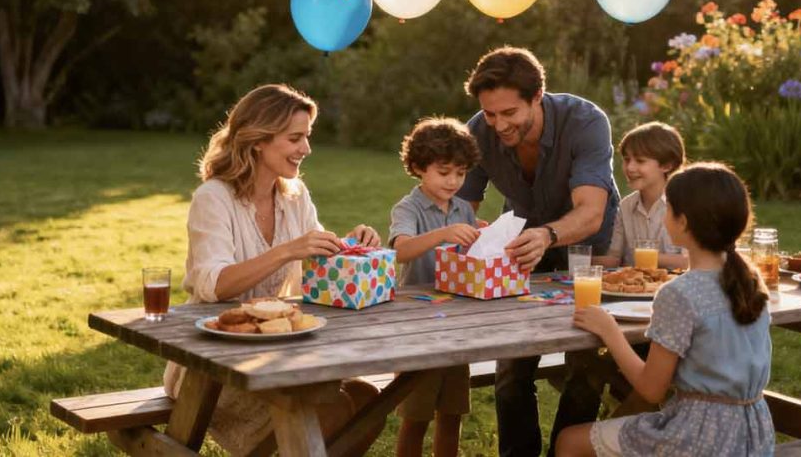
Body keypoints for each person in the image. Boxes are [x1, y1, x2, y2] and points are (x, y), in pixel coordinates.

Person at [162, 84, 382, 454]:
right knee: (329, 412)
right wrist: (286, 251)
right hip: (214, 366)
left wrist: (350, 244)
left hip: (277, 351)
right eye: (295, 138)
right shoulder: (213, 198)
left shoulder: (294, 195)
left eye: (307, 137)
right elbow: (214, 284)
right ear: (258, 140)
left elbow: (314, 261)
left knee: (366, 397)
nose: (306, 149)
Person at [457, 46, 620, 457]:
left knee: (585, 365)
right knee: (512, 366)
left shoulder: (585, 122)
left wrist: (548, 234)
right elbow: (459, 209)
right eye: (490, 114)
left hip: (585, 248)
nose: (498, 124)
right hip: (522, 246)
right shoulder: (479, 131)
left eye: (509, 113)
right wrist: (464, 235)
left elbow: (591, 212)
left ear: (537, 97)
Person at [558, 162, 774, 457]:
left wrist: (610, 330)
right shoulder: (750, 280)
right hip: (753, 431)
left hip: (698, 437)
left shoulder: (679, 293)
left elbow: (651, 390)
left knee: (570, 441)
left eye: (668, 208)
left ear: (682, 222)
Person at [389, 117, 482, 457]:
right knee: (416, 415)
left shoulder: (462, 208)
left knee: (452, 411)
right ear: (418, 167)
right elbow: (400, 250)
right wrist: (442, 234)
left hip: (455, 321)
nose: (454, 181)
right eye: (444, 172)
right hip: (418, 325)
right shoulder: (408, 207)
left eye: (460, 172)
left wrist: (483, 236)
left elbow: (470, 256)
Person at [594, 121, 689, 270]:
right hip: (633, 289)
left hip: (673, 290)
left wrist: (649, 257)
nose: (630, 168)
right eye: (626, 159)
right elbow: (614, 258)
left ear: (667, 165)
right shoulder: (626, 206)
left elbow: (690, 262)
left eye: (640, 161)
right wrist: (578, 259)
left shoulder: (686, 205)